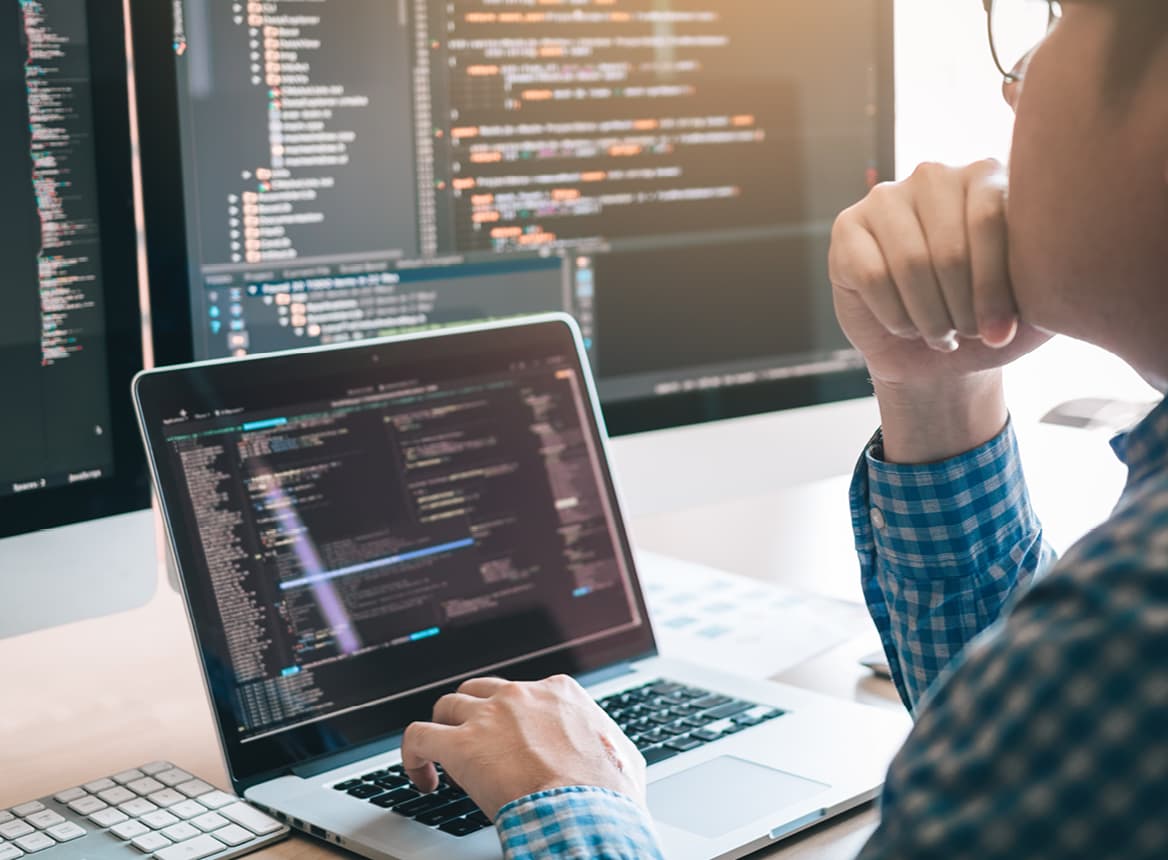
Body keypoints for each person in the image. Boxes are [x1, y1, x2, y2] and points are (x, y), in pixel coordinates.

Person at [399, 1, 1168, 856]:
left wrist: (569, 803)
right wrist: (936, 385)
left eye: (1060, 19)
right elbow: (1033, 754)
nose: (1013, 87)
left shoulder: (1134, 615)